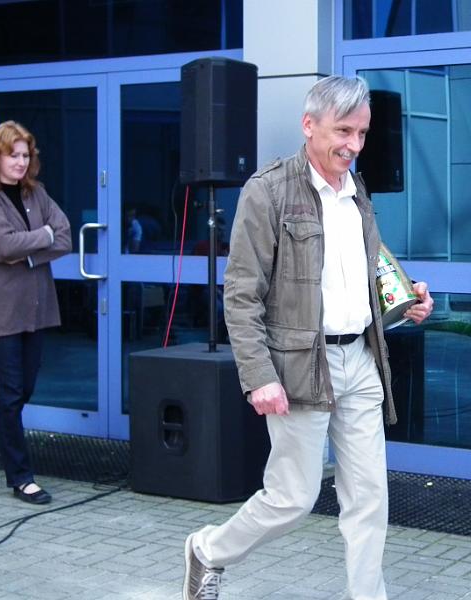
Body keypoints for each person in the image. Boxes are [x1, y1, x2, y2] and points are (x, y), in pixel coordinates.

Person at [182, 76, 434, 600]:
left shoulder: (357, 191)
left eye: (362, 133)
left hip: (361, 360)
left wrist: (405, 298)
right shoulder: (268, 191)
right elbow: (241, 294)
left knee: (369, 498)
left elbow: (367, 264)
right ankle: (208, 550)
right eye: (343, 131)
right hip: (300, 366)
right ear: (308, 125)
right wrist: (258, 376)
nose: (354, 145)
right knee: (292, 498)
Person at [0, 121, 71, 504]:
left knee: (22, 390)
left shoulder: (35, 192)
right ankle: (21, 478)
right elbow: (2, 246)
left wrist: (31, 250)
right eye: (13, 155)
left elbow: (64, 235)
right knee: (9, 393)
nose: (21, 162)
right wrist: (42, 237)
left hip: (35, 308)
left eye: (25, 155)